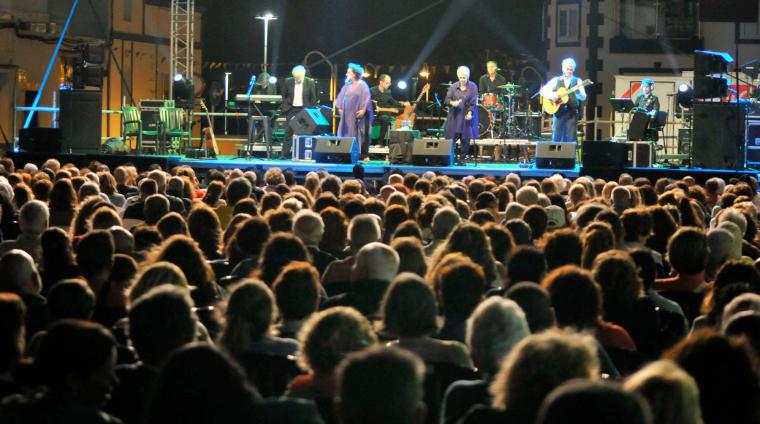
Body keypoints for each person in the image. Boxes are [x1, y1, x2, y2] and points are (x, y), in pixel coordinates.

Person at [540, 57, 587, 142]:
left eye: (571, 69)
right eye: (567, 69)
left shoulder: (578, 81)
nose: (569, 71)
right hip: (559, 113)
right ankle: (556, 151)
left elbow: (583, 97)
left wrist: (578, 94)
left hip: (572, 113)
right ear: (563, 69)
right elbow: (543, 91)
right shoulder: (556, 80)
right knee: (556, 138)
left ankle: (570, 151)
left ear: (573, 70)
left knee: (571, 138)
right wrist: (552, 95)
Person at [335, 63, 373, 162]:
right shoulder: (347, 85)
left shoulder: (362, 85)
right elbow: (340, 98)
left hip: (358, 115)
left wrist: (363, 109)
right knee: (345, 133)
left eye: (349, 72)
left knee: (362, 134)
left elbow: (366, 98)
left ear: (355, 73)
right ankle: (345, 153)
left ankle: (363, 154)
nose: (346, 73)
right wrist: (340, 108)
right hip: (347, 116)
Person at [280, 65, 319, 159]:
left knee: (305, 132)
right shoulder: (288, 81)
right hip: (292, 109)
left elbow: (313, 98)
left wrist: (311, 111)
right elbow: (284, 95)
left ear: (303, 75)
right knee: (288, 131)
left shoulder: (309, 82)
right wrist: (286, 105)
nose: (297, 78)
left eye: (298, 77)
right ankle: (284, 154)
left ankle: (303, 154)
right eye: (295, 77)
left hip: (304, 110)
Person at [445, 66, 479, 165]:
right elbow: (446, 100)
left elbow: (473, 102)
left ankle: (462, 159)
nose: (462, 79)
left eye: (464, 77)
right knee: (451, 137)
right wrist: (452, 102)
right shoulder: (453, 86)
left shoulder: (473, 86)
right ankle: (451, 157)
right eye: (460, 77)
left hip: (466, 115)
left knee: (465, 137)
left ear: (468, 76)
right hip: (455, 115)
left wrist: (470, 113)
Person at [370, 74, 410, 146]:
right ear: (381, 82)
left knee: (400, 111)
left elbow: (393, 102)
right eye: (387, 83)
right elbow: (368, 102)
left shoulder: (388, 92)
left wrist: (403, 104)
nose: (389, 84)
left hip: (384, 113)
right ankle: (368, 142)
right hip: (374, 113)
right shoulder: (372, 90)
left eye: (390, 82)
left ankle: (381, 142)